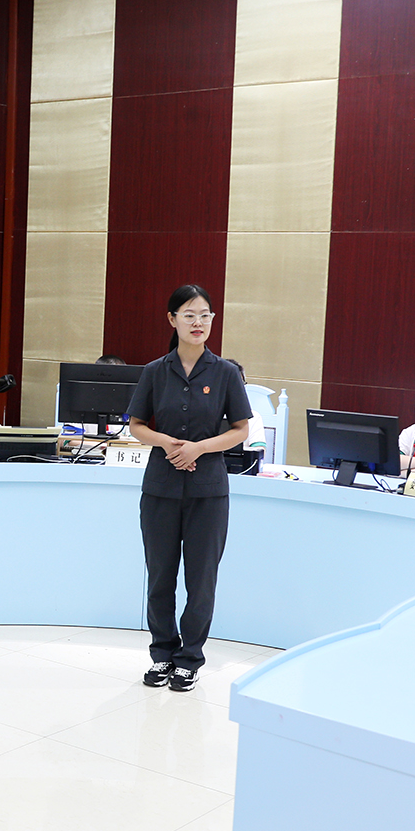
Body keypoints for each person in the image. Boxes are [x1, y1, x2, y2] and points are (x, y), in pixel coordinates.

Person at [124, 284, 251, 692]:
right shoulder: (154, 371)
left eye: (205, 315)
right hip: (160, 488)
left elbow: (241, 430)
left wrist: (198, 448)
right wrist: (167, 443)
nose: (198, 323)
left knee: (201, 580)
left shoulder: (225, 373)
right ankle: (162, 653)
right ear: (172, 319)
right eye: (189, 315)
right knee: (160, 577)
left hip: (208, 491)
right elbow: (137, 426)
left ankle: (189, 658)